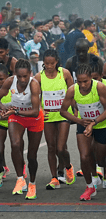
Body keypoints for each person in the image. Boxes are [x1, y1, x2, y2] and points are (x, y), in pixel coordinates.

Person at [0, 59, 43, 200]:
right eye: (19, 76)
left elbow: (34, 111)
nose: (22, 80)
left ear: (30, 74)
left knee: (32, 156)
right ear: (15, 74)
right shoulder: (10, 81)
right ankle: (20, 179)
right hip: (17, 117)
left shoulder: (34, 85)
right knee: (15, 144)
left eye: (25, 76)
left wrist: (14, 112)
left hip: (33, 118)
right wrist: (5, 108)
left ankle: (32, 183)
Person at [60, 64, 106, 201]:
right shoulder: (72, 90)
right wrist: (79, 121)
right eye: (79, 82)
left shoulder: (99, 87)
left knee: (101, 159)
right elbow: (63, 111)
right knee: (84, 156)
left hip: (101, 124)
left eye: (85, 81)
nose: (82, 85)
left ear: (91, 78)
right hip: (83, 124)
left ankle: (100, 173)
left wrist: (94, 122)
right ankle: (90, 186)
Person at [34, 49, 75, 190]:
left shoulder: (64, 74)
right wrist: (40, 109)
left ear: (57, 61)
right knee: (51, 147)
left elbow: (73, 91)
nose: (49, 66)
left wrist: (75, 110)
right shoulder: (38, 77)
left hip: (63, 114)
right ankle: (54, 177)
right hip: (48, 116)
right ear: (43, 63)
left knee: (60, 147)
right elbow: (35, 97)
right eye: (46, 63)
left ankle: (68, 166)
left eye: (52, 63)